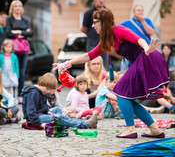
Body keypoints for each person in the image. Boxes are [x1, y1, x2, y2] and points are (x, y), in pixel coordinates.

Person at [53, 8, 169, 139]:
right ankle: (155, 129)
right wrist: (68, 63)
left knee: (120, 91)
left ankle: (130, 129)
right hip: (141, 60)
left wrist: (147, 48)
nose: (92, 25)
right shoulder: (107, 39)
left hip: (146, 58)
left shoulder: (119, 30)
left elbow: (139, 39)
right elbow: (90, 55)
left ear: (103, 22)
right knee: (128, 98)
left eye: (95, 22)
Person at [21, 73, 98, 129]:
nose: (48, 92)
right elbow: (31, 114)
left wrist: (49, 112)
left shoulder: (42, 91)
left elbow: (43, 107)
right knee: (59, 117)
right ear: (42, 84)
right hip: (35, 119)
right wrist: (41, 124)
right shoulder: (33, 93)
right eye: (47, 89)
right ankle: (86, 124)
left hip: (40, 114)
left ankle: (73, 120)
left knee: (58, 109)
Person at [6, 0, 33, 104]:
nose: (18, 8)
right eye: (15, 6)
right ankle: (11, 95)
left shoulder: (25, 19)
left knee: (22, 72)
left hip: (24, 49)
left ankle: (20, 95)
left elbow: (30, 32)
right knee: (12, 71)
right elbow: (8, 33)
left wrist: (17, 31)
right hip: (13, 49)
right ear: (12, 8)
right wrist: (23, 33)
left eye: (19, 6)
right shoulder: (10, 19)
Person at [120, 4, 155, 71]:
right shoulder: (128, 22)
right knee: (135, 70)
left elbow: (151, 32)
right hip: (134, 51)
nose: (140, 12)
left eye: (142, 10)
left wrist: (142, 21)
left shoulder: (147, 20)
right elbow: (117, 31)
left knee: (147, 69)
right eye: (138, 10)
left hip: (147, 49)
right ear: (134, 12)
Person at [81, 0, 109, 70]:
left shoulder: (107, 12)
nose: (101, 0)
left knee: (104, 68)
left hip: (105, 45)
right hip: (92, 45)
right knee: (93, 67)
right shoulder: (88, 13)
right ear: (94, 0)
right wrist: (92, 34)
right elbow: (83, 29)